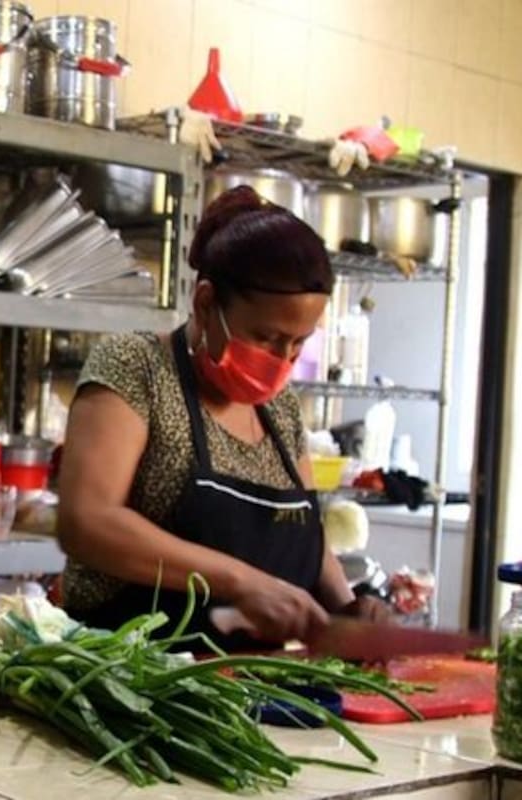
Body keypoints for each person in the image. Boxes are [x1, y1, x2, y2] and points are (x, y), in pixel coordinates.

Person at [57, 186, 389, 651]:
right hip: (130, 679)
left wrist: (345, 608)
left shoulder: (281, 409)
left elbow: (304, 531)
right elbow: (85, 522)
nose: (283, 359)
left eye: (298, 343)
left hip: (252, 691)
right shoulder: (137, 367)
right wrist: (240, 581)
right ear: (207, 302)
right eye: (267, 337)